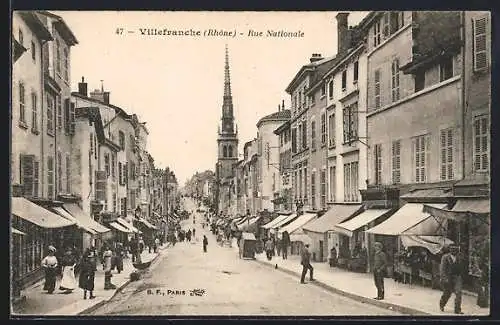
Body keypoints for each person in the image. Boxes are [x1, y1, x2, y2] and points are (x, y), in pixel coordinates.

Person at [439, 245, 464, 314]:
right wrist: (444, 278)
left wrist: (461, 276)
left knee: (458, 293)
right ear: (450, 250)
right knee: (447, 293)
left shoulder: (459, 258)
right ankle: (442, 304)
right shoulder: (445, 257)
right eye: (452, 249)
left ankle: (457, 309)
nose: (454, 251)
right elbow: (442, 269)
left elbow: (462, 267)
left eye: (456, 250)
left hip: (457, 277)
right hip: (448, 277)